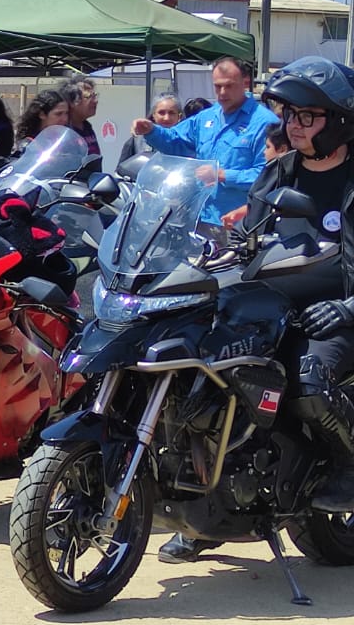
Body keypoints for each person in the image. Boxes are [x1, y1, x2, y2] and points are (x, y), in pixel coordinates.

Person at [162, 56, 354, 563]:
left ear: (339, 120)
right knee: (203, 377)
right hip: (269, 306)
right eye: (290, 115)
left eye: (307, 116)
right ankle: (207, 511)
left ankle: (349, 465)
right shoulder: (278, 172)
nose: (294, 125)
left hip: (333, 311)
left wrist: (349, 308)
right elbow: (248, 237)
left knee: (309, 379)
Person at [133, 56, 278, 226]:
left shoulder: (265, 123)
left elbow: (270, 178)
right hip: (200, 217)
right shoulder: (206, 117)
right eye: (217, 86)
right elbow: (175, 142)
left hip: (239, 224)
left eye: (229, 86)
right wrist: (151, 130)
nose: (222, 92)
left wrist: (222, 175)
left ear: (245, 82)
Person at [120, 93, 184, 164]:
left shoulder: (186, 141)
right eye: (161, 113)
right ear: (153, 115)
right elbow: (122, 169)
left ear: (179, 116)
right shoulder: (137, 142)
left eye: (171, 113)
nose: (166, 118)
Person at [59, 74, 100, 156]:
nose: (95, 101)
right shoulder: (63, 133)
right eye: (89, 96)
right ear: (72, 102)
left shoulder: (87, 127)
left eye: (95, 96)